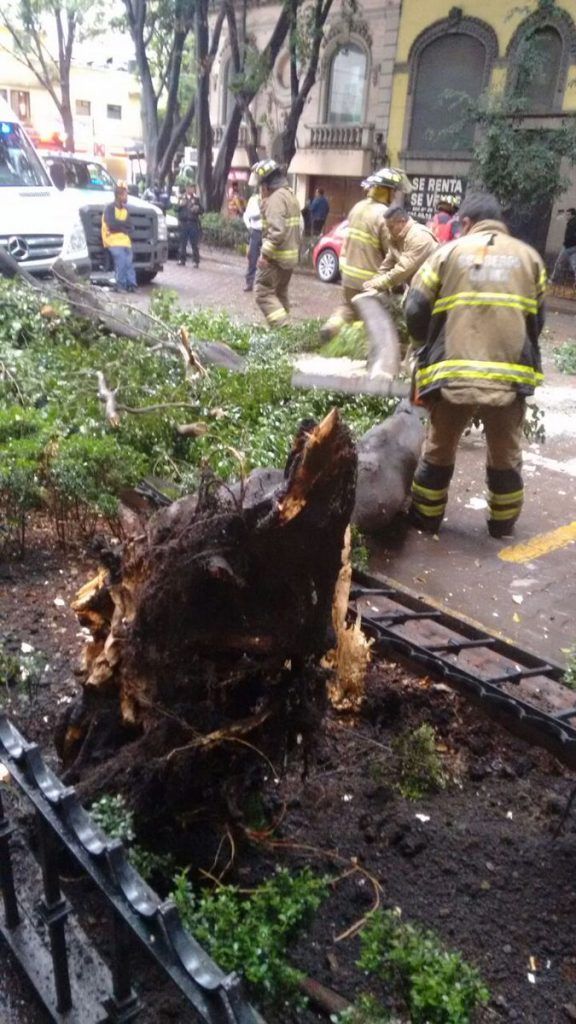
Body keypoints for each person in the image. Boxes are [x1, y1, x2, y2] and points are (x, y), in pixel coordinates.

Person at [405, 191, 546, 539]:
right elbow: (537, 320)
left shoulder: (447, 253)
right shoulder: (530, 259)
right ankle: (501, 526)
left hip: (452, 374)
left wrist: (423, 348)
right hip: (509, 377)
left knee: (439, 449)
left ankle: (426, 520)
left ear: (466, 222)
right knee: (506, 453)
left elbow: (414, 309)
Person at [319, 166, 405, 342]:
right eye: (393, 192)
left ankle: (331, 327)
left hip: (349, 277)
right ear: (385, 192)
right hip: (371, 280)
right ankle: (369, 352)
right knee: (377, 319)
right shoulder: (384, 215)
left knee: (349, 308)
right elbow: (390, 252)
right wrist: (398, 283)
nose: (395, 196)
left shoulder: (357, 208)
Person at [251, 158, 302, 328]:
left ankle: (283, 328)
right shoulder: (289, 195)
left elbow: (277, 232)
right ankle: (284, 333)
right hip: (289, 258)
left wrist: (265, 255)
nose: (260, 191)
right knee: (280, 294)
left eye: (261, 186)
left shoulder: (275, 199)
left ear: (266, 185)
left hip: (276, 258)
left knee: (263, 292)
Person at [362, 206, 438, 294]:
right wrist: (374, 282)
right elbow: (387, 265)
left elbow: (403, 269)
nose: (388, 231)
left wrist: (376, 284)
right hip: (417, 287)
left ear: (402, 221)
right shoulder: (396, 238)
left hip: (432, 290)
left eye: (391, 227)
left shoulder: (419, 237)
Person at [101, 181, 137, 292]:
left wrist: (120, 226)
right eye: (125, 195)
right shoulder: (109, 208)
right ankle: (120, 285)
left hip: (124, 241)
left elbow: (131, 227)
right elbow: (111, 225)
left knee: (129, 262)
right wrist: (123, 227)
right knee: (121, 260)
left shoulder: (125, 210)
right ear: (119, 195)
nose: (127, 197)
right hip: (112, 240)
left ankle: (131, 284)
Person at [177, 183, 203, 267]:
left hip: (193, 223)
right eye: (189, 188)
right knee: (182, 243)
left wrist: (198, 209)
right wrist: (180, 205)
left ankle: (196, 261)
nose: (191, 190)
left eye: (192, 188)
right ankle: (182, 259)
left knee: (194, 243)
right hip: (184, 223)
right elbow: (175, 209)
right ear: (186, 188)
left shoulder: (196, 199)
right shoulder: (182, 198)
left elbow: (202, 210)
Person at [243, 189, 263, 292]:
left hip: (267, 233)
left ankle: (264, 285)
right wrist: (249, 226)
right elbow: (246, 215)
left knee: (267, 260)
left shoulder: (272, 200)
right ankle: (249, 282)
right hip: (255, 231)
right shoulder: (253, 200)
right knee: (252, 258)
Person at [550, 208, 576, 285]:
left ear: (572, 215)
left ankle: (553, 279)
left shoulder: (572, 223)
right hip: (573, 247)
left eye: (568, 214)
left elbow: (570, 235)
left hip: (568, 247)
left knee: (558, 263)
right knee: (574, 265)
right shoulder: (571, 222)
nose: (566, 216)